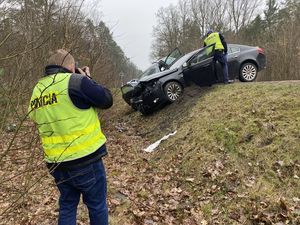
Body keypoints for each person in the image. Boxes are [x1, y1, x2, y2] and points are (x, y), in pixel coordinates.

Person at [28, 49, 113, 225]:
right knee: (97, 205)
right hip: (85, 159)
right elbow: (106, 100)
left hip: (56, 163)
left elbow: (34, 117)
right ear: (72, 67)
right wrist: (88, 79)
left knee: (67, 205)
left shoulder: (38, 89)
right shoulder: (76, 82)